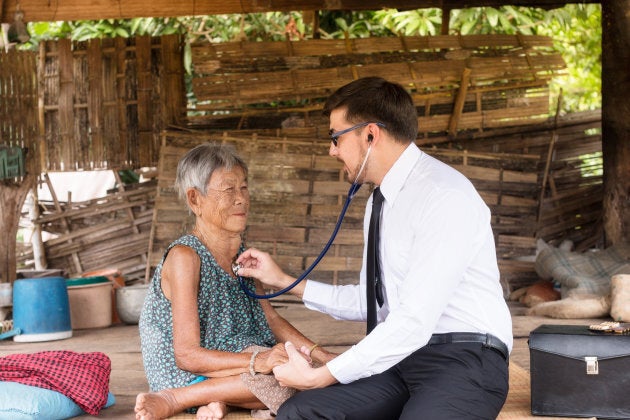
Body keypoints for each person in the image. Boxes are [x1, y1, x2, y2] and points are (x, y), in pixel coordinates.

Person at [236, 76, 513, 419]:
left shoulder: (444, 197)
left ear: (370, 134)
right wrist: (283, 280)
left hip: (466, 359)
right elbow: (374, 303)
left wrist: (321, 375)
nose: (332, 150)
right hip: (402, 357)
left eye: (336, 137)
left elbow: (413, 320)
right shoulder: (379, 202)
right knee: (302, 412)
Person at [135, 143, 334, 420]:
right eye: (228, 190)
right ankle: (176, 399)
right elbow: (188, 356)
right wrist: (261, 361)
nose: (240, 199)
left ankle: (222, 399)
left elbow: (271, 321)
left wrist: (325, 357)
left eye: (243, 188)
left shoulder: (242, 256)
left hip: (240, 362)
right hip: (191, 373)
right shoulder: (185, 257)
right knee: (291, 376)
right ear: (195, 200)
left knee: (313, 371)